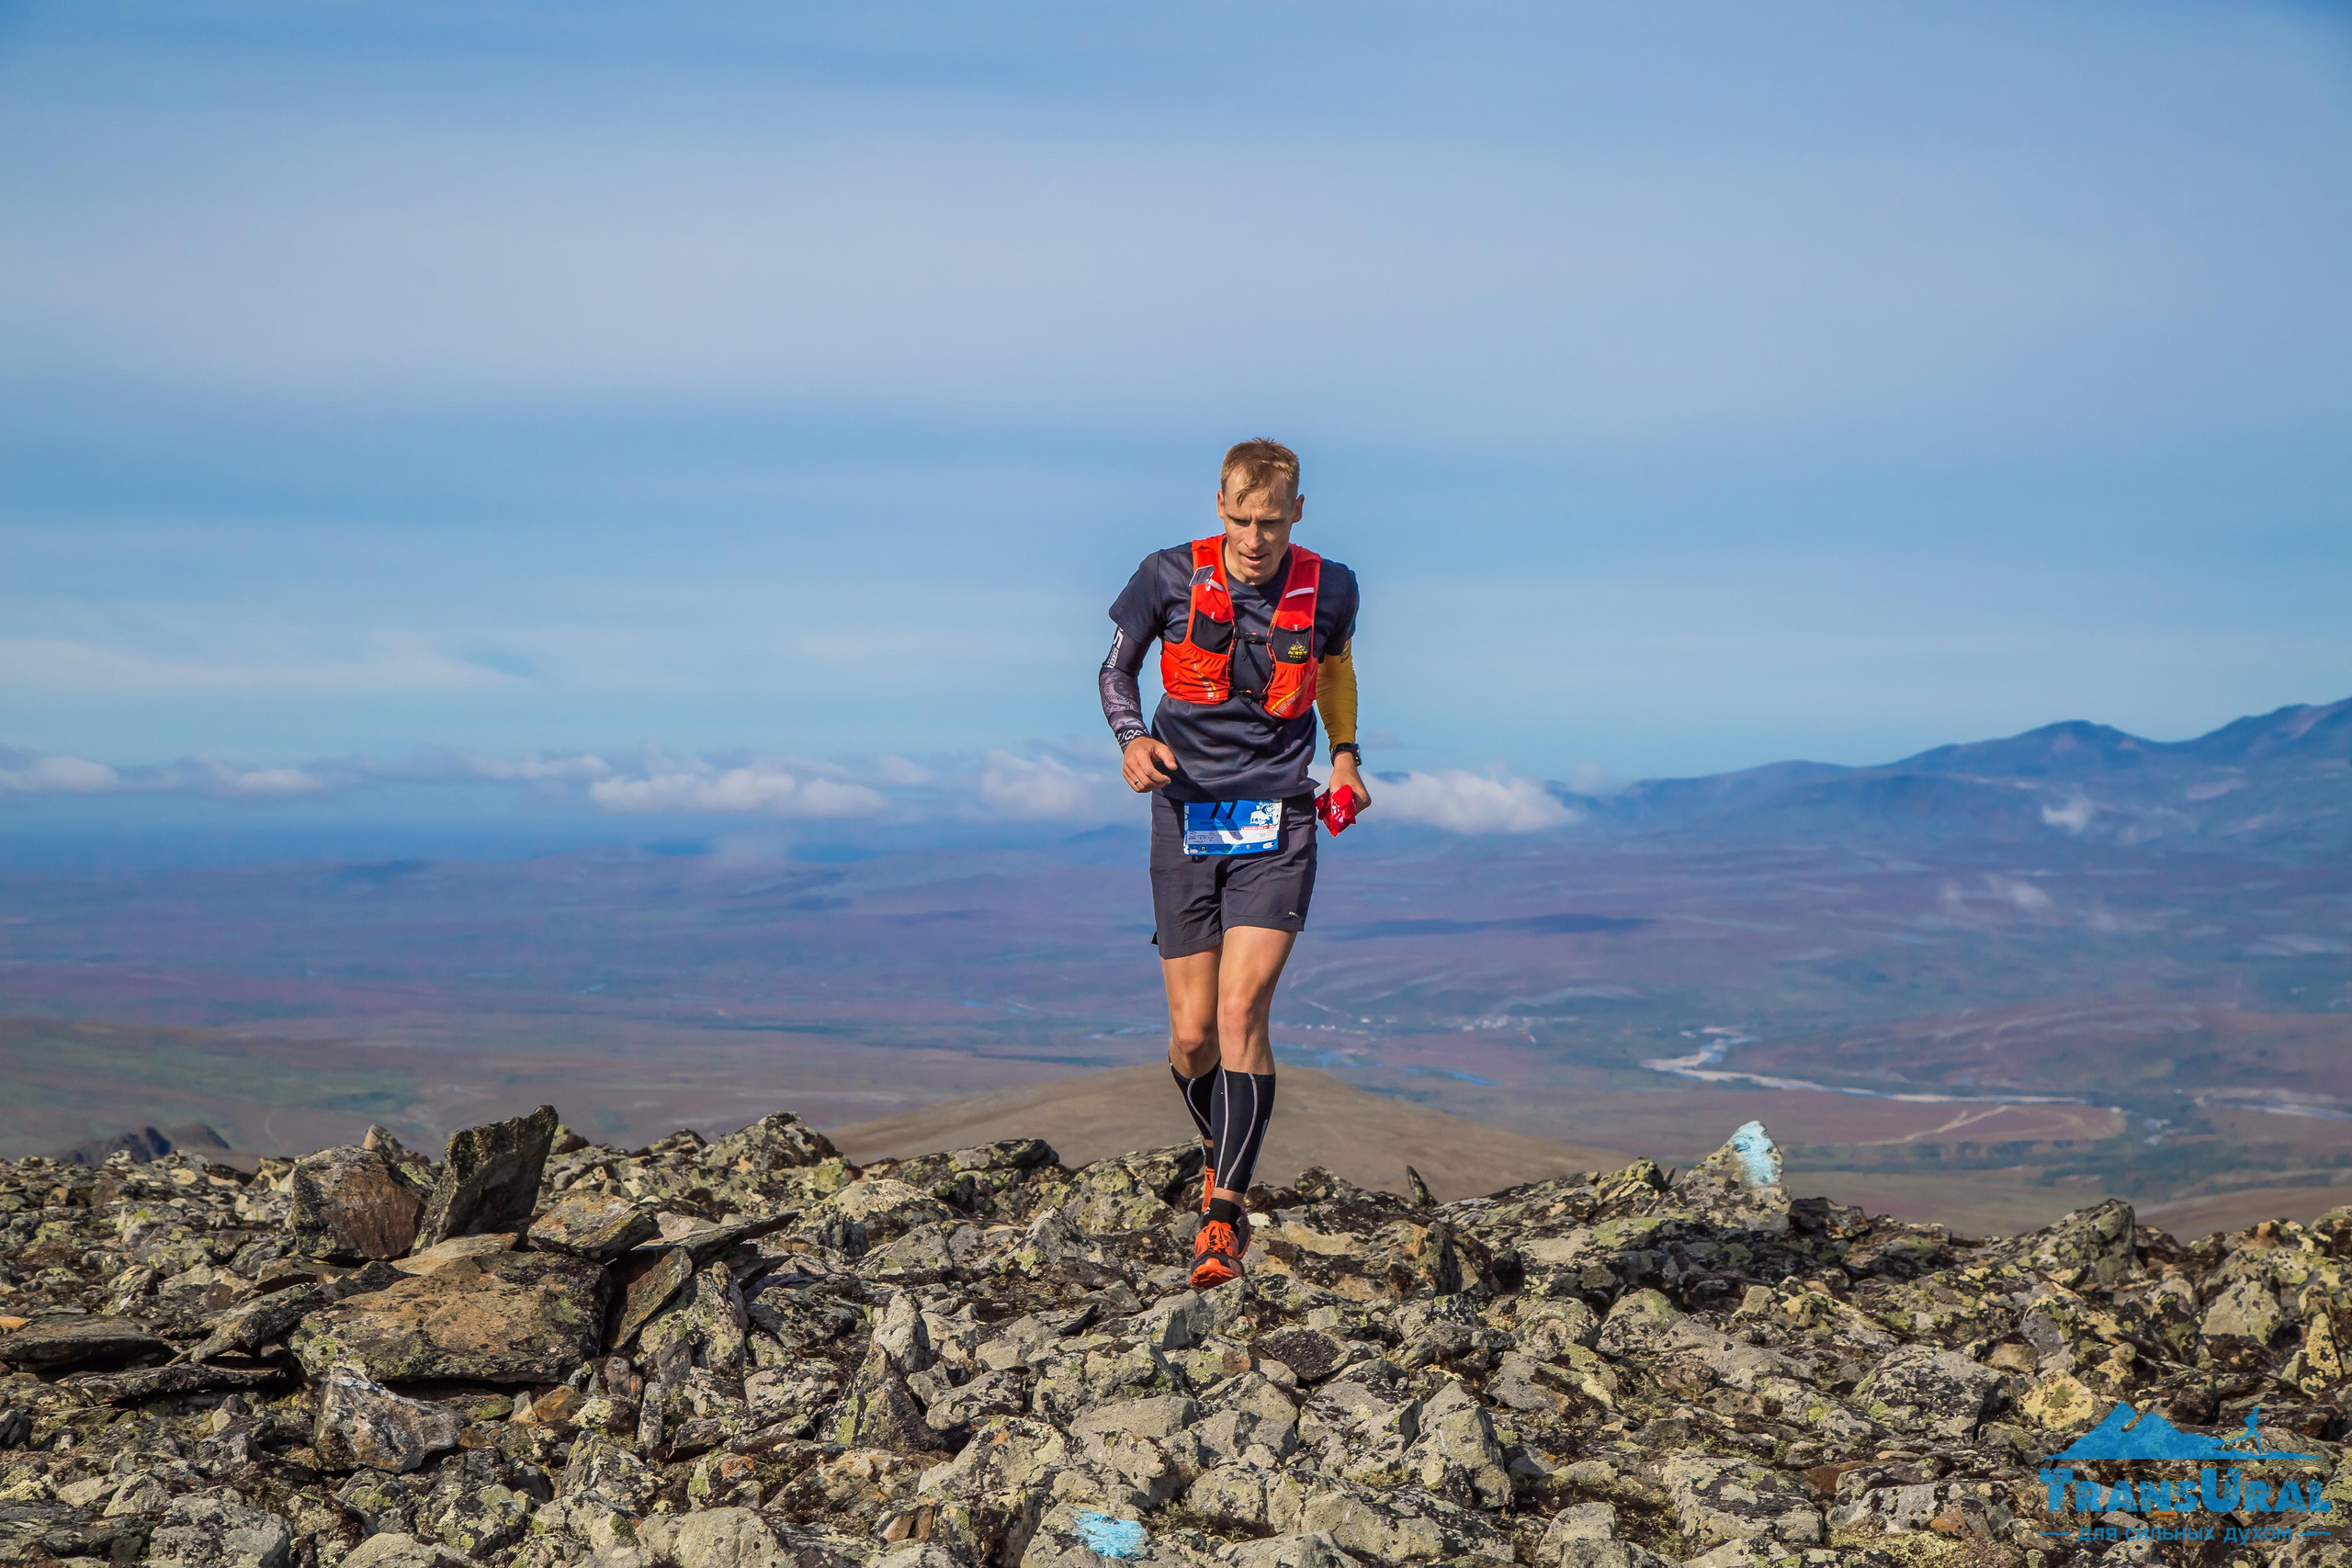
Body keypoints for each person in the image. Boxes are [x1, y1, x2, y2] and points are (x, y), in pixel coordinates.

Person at [1098, 438, 1368, 1289]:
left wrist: (1346, 755)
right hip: (1184, 813)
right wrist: (1131, 738)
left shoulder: (1332, 587)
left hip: (1279, 818)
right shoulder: (1165, 575)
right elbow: (1115, 669)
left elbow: (1334, 670)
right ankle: (1225, 1145)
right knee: (1190, 1036)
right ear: (1220, 507)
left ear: (1297, 513)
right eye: (1244, 520)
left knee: (1241, 1009)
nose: (1256, 539)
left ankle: (1222, 1218)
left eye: (1273, 522)